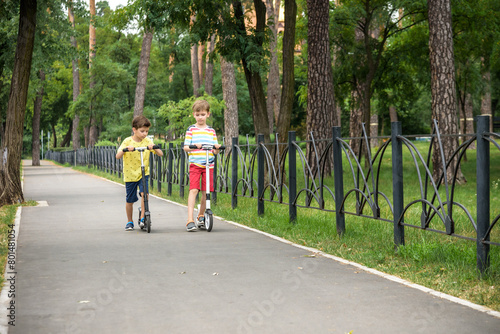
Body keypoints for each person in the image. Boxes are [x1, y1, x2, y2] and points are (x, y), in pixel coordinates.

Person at [116, 115, 163, 231]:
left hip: (143, 173)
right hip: (130, 175)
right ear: (134, 130)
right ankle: (129, 221)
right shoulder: (127, 141)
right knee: (130, 199)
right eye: (142, 131)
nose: (145, 134)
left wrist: (154, 147)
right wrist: (126, 149)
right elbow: (118, 156)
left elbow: (160, 154)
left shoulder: (147, 141)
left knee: (145, 194)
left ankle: (142, 218)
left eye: (146, 131)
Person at [183, 100, 221, 232]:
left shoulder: (211, 131)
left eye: (203, 114)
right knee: (193, 190)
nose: (200, 117)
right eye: (198, 114)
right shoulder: (191, 129)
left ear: (208, 114)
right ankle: (190, 220)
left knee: (207, 191)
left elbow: (215, 150)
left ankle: (201, 216)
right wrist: (194, 147)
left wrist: (217, 148)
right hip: (195, 164)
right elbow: (186, 148)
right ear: (194, 115)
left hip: (208, 165)